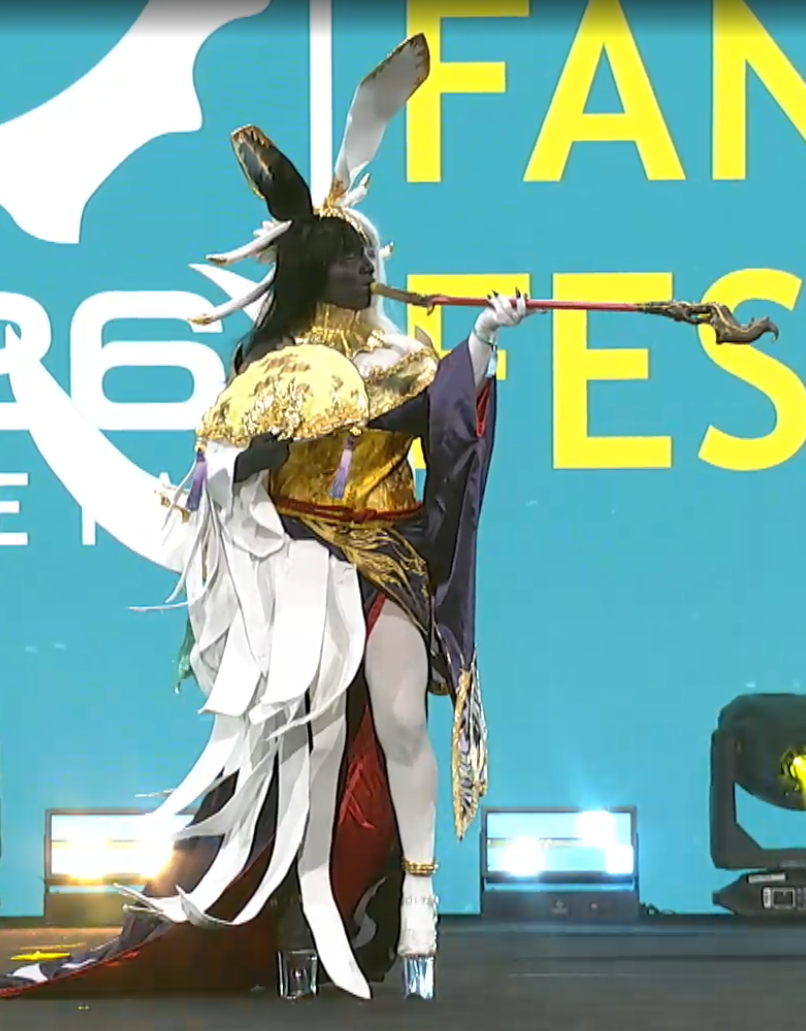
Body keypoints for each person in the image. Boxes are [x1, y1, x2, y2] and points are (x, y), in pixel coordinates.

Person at [0, 35, 534, 1002]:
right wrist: (256, 459)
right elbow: (217, 473)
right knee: (297, 760)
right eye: (347, 263)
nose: (365, 273)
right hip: (293, 572)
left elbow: (449, 424)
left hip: (385, 555)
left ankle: (419, 894)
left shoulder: (405, 360)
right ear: (313, 274)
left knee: (401, 714)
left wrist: (484, 342)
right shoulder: (265, 370)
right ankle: (295, 911)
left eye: (367, 259)